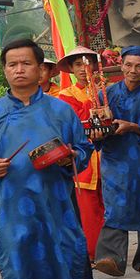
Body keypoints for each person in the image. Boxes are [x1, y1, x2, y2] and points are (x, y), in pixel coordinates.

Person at [0, 39, 95, 279]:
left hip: (57, 203)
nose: (19, 69)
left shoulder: (60, 110)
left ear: (40, 69)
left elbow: (83, 148)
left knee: (66, 261)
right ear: (4, 70)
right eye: (12, 64)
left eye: (26, 63)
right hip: (12, 207)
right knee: (19, 267)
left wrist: (71, 157)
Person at [93, 46, 140, 277]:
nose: (133, 70)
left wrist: (134, 127)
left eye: (139, 66)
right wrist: (98, 132)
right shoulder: (106, 94)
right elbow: (97, 126)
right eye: (128, 65)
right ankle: (110, 257)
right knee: (116, 204)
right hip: (115, 157)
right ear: (121, 65)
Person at [57, 46, 105, 262]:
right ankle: (92, 253)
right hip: (84, 155)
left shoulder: (106, 89)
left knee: (109, 207)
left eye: (88, 63)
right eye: (78, 64)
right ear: (71, 68)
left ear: (95, 66)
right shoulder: (65, 95)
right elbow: (76, 121)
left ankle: (110, 253)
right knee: (88, 209)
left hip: (107, 155)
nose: (84, 69)